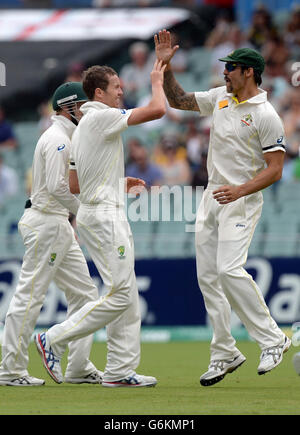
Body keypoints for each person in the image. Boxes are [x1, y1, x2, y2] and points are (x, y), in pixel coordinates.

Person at [154, 29, 291, 386]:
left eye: (230, 68)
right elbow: (179, 100)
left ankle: (274, 339)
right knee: (208, 278)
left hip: (241, 199)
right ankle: (224, 352)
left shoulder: (266, 114)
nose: (224, 73)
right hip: (211, 195)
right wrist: (166, 66)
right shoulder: (220, 97)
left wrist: (240, 190)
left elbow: (275, 170)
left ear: (248, 71)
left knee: (229, 270)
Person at [35, 60, 166, 388]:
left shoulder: (84, 128)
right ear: (98, 93)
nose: (122, 91)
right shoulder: (101, 116)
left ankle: (120, 371)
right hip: (105, 217)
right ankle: (54, 339)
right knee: (121, 295)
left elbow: (76, 184)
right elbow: (158, 110)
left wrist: (114, 182)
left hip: (98, 211)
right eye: (117, 87)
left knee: (127, 293)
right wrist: (157, 78)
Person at [0, 82, 103, 386]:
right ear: (69, 107)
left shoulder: (65, 136)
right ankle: (10, 370)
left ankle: (78, 367)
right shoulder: (59, 139)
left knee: (86, 295)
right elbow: (59, 188)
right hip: (46, 222)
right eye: (83, 106)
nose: (87, 112)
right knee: (29, 297)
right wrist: (85, 212)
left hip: (56, 223)